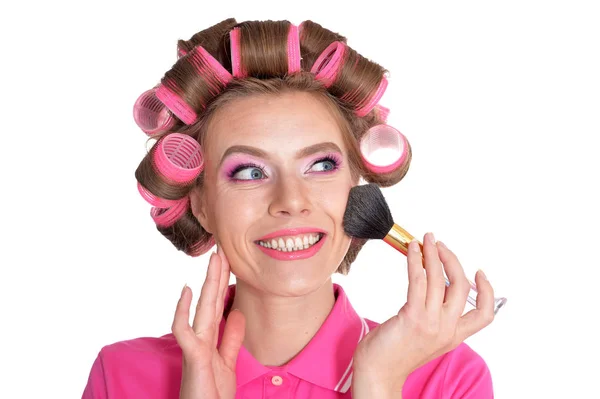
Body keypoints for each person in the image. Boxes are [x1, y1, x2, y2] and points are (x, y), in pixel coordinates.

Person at [82, 18, 496, 398]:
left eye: (321, 165)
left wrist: (378, 384)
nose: (292, 201)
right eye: (248, 172)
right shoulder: (122, 376)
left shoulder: (449, 379)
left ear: (355, 184)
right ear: (201, 204)